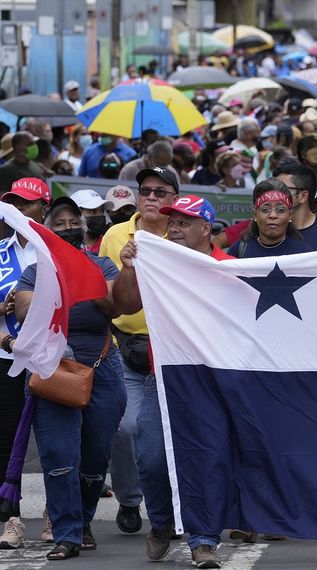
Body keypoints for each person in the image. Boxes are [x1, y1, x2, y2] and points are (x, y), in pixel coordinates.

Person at [111, 192, 228, 569]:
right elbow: (126, 306)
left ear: (205, 228)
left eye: (183, 223)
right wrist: (129, 267)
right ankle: (161, 523)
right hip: (162, 377)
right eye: (172, 222)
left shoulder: (229, 266)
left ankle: (204, 540)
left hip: (214, 382)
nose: (174, 229)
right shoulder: (156, 260)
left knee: (205, 460)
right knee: (153, 460)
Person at [12, 196, 126, 561]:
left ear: (85, 226)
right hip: (52, 369)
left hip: (101, 368)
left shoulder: (103, 265)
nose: (66, 229)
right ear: (46, 231)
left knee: (94, 459)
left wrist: (84, 276)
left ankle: (84, 519)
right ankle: (66, 533)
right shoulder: (34, 273)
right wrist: (56, 281)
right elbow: (27, 312)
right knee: (59, 456)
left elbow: (113, 305)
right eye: (57, 224)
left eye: (72, 222)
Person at [99, 167, 178, 542]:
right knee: (125, 428)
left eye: (160, 192)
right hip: (127, 347)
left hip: (175, 351)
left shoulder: (183, 233)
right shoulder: (115, 235)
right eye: (145, 190)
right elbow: (107, 293)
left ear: (174, 199)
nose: (151, 197)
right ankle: (130, 499)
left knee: (170, 436)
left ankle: (175, 507)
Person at [0, 178, 50, 550]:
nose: (18, 208)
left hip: (50, 358)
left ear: (43, 210)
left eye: (27, 202)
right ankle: (9, 515)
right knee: (6, 439)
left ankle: (57, 513)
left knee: (54, 440)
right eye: (13, 201)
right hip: (6, 355)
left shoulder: (56, 250)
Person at [228, 178, 312, 258]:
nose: (273, 215)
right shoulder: (239, 251)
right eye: (265, 210)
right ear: (255, 214)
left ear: (290, 215)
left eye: (280, 210)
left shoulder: (304, 254)